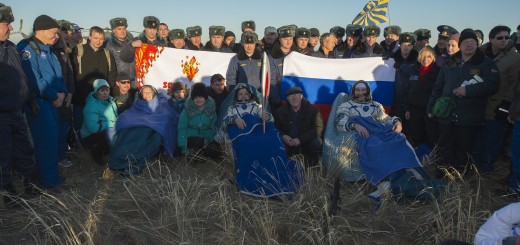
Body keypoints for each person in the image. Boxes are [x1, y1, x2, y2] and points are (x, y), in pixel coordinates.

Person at [426, 29, 500, 174]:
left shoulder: (486, 63)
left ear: (477, 44)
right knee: (444, 146)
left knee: (463, 149)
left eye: (472, 42)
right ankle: (442, 175)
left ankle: (459, 178)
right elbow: (438, 86)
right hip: (447, 114)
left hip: (469, 115)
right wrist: (431, 107)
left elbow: (493, 85)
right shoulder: (450, 62)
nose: (469, 45)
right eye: (466, 42)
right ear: (460, 45)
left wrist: (469, 91)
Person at [18, 14, 67, 187]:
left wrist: (62, 93)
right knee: (45, 142)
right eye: (54, 33)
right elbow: (34, 80)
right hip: (39, 103)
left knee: (53, 141)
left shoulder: (48, 49)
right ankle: (49, 183)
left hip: (54, 102)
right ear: (42, 31)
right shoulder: (27, 49)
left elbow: (58, 75)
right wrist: (54, 96)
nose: (56, 36)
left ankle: (49, 177)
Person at [0, 3, 41, 206]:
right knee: (3, 155)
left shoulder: (10, 47)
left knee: (24, 150)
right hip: (1, 114)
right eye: (6, 24)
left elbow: (22, 77)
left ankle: (30, 185)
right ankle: (8, 194)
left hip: (16, 111)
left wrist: (30, 98)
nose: (11, 28)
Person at [472, 25, 520, 173]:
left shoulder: (514, 58)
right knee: (476, 140)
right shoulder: (480, 53)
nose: (504, 40)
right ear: (491, 39)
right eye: (500, 37)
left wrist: (506, 105)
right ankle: (474, 167)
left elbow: (514, 84)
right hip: (477, 103)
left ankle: (486, 170)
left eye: (507, 37)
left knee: (493, 140)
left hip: (497, 106)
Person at [109, 85, 179, 175]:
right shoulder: (139, 104)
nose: (147, 94)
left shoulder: (161, 102)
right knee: (127, 131)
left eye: (149, 92)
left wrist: (152, 123)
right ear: (141, 94)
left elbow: (167, 116)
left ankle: (135, 160)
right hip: (137, 128)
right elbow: (129, 115)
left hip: (152, 130)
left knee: (148, 135)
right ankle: (123, 158)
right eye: (144, 92)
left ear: (153, 93)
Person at [71, 26, 117, 133]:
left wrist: (106, 89)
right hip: (81, 95)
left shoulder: (107, 53)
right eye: (96, 38)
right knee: (80, 123)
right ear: (90, 37)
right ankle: (80, 146)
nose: (98, 41)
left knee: (98, 123)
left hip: (100, 98)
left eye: (101, 39)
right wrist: (76, 89)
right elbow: (73, 72)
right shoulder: (79, 50)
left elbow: (112, 73)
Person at [275, 86, 324, 167]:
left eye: (297, 95)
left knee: (317, 142)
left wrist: (300, 139)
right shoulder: (280, 112)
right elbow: (275, 128)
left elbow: (319, 128)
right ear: (287, 98)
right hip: (288, 144)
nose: (294, 98)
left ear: (301, 96)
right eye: (290, 96)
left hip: (306, 143)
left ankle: (312, 166)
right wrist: (283, 136)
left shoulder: (313, 109)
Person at [404, 47, 441, 148]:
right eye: (423, 56)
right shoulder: (413, 70)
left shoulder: (438, 71)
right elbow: (409, 90)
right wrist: (407, 109)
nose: (425, 59)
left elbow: (438, 91)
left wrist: (433, 109)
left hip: (430, 111)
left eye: (429, 56)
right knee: (415, 138)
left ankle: (431, 161)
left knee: (431, 138)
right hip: (415, 110)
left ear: (433, 57)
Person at [177, 83, 221, 158]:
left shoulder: (211, 109)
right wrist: (184, 147)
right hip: (190, 139)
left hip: (205, 139)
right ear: (192, 99)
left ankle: (202, 154)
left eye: (200, 97)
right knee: (195, 144)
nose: (198, 100)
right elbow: (182, 128)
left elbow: (213, 128)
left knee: (214, 150)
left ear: (205, 97)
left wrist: (207, 141)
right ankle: (192, 153)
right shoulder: (187, 110)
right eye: (195, 98)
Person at [80, 79, 118, 165]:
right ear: (96, 91)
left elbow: (116, 117)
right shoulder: (91, 105)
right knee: (107, 134)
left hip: (107, 129)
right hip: (89, 136)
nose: (105, 93)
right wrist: (112, 124)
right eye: (102, 90)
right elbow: (93, 128)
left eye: (107, 90)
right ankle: (96, 156)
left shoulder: (111, 101)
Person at [392, 32, 419, 123]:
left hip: (412, 103)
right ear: (400, 45)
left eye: (409, 45)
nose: (406, 47)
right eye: (404, 44)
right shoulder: (391, 60)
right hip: (395, 102)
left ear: (412, 46)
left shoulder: (418, 61)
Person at [268, 26, 296, 109]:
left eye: (290, 39)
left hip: (295, 99)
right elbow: (271, 80)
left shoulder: (297, 56)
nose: (288, 42)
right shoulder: (272, 57)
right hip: (279, 100)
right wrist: (277, 100)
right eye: (285, 39)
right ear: (279, 39)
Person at [105, 17, 137, 88]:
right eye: (119, 29)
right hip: (119, 82)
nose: (122, 31)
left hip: (133, 81)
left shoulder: (132, 43)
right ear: (113, 30)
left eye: (124, 28)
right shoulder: (109, 45)